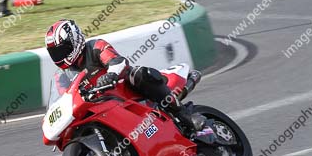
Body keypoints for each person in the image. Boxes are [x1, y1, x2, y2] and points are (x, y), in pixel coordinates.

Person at [45, 19, 210, 135]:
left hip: (124, 91)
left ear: (74, 40)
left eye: (62, 50)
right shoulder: (61, 76)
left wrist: (110, 75)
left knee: (138, 74)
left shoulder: (95, 46)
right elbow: (63, 100)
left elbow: (117, 61)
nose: (59, 56)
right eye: (55, 53)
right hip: (98, 107)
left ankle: (183, 114)